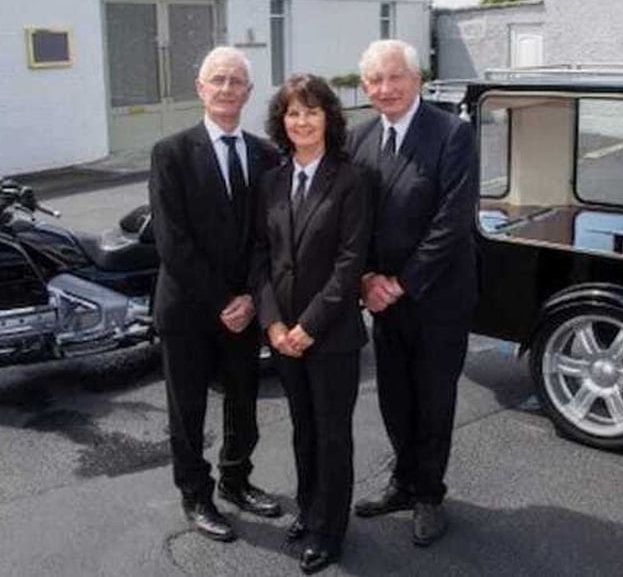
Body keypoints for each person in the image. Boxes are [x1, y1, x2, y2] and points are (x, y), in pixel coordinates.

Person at [347, 39, 478, 547]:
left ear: (417, 78)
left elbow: (452, 222)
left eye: (394, 77)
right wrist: (364, 281)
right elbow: (351, 223)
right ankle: (402, 482)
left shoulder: (452, 134)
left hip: (437, 299)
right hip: (382, 300)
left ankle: (428, 495)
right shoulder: (358, 141)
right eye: (375, 81)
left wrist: (400, 283)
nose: (386, 89)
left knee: (433, 401)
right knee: (394, 398)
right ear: (365, 88)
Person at [149, 46, 282, 542]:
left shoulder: (266, 154)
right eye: (217, 79)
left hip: (244, 311)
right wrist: (222, 301)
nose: (227, 88)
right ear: (200, 89)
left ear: (248, 93)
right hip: (188, 309)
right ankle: (196, 495)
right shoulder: (171, 153)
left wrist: (249, 297)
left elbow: (267, 237)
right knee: (188, 412)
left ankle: (236, 480)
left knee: (244, 402)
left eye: (236, 81)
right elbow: (172, 241)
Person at [252, 74, 370, 574]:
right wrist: (274, 325)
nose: (302, 120)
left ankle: (330, 529)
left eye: (312, 111)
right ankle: (309, 507)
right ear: (282, 122)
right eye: (293, 113)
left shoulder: (352, 179)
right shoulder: (271, 181)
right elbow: (260, 258)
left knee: (332, 433)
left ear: (329, 118)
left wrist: (309, 327)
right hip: (283, 335)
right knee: (303, 429)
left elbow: (350, 262)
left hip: (332, 335)